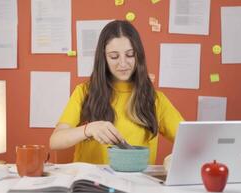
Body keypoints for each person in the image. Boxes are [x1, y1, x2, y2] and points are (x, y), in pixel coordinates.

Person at [50, 20, 184, 164]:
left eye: (130, 54)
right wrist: (88, 129)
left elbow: (193, 140)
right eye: (114, 56)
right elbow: (55, 141)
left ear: (138, 55)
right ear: (104, 58)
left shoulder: (156, 99)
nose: (123, 63)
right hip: (92, 184)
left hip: (138, 184)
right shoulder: (84, 92)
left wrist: (173, 161)